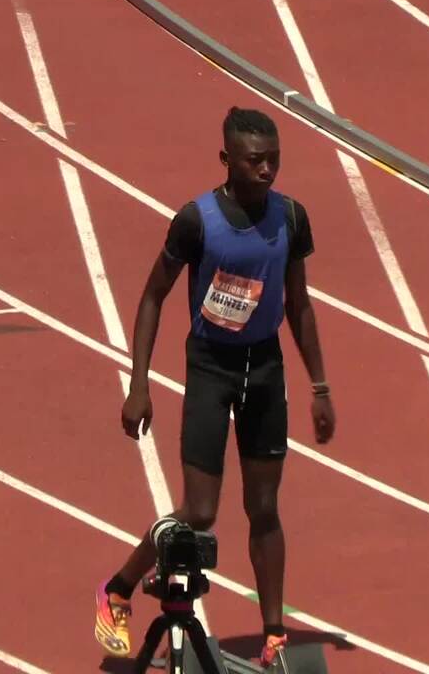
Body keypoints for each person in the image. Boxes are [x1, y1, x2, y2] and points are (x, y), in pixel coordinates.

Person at [94, 107, 336, 666]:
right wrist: (139, 385)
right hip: (210, 367)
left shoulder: (292, 218)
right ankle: (119, 589)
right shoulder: (196, 221)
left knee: (265, 507)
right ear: (227, 160)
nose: (268, 170)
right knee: (200, 512)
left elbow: (299, 303)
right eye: (255, 161)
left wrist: (319, 385)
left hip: (266, 369)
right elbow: (152, 297)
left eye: (274, 159)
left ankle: (274, 633)